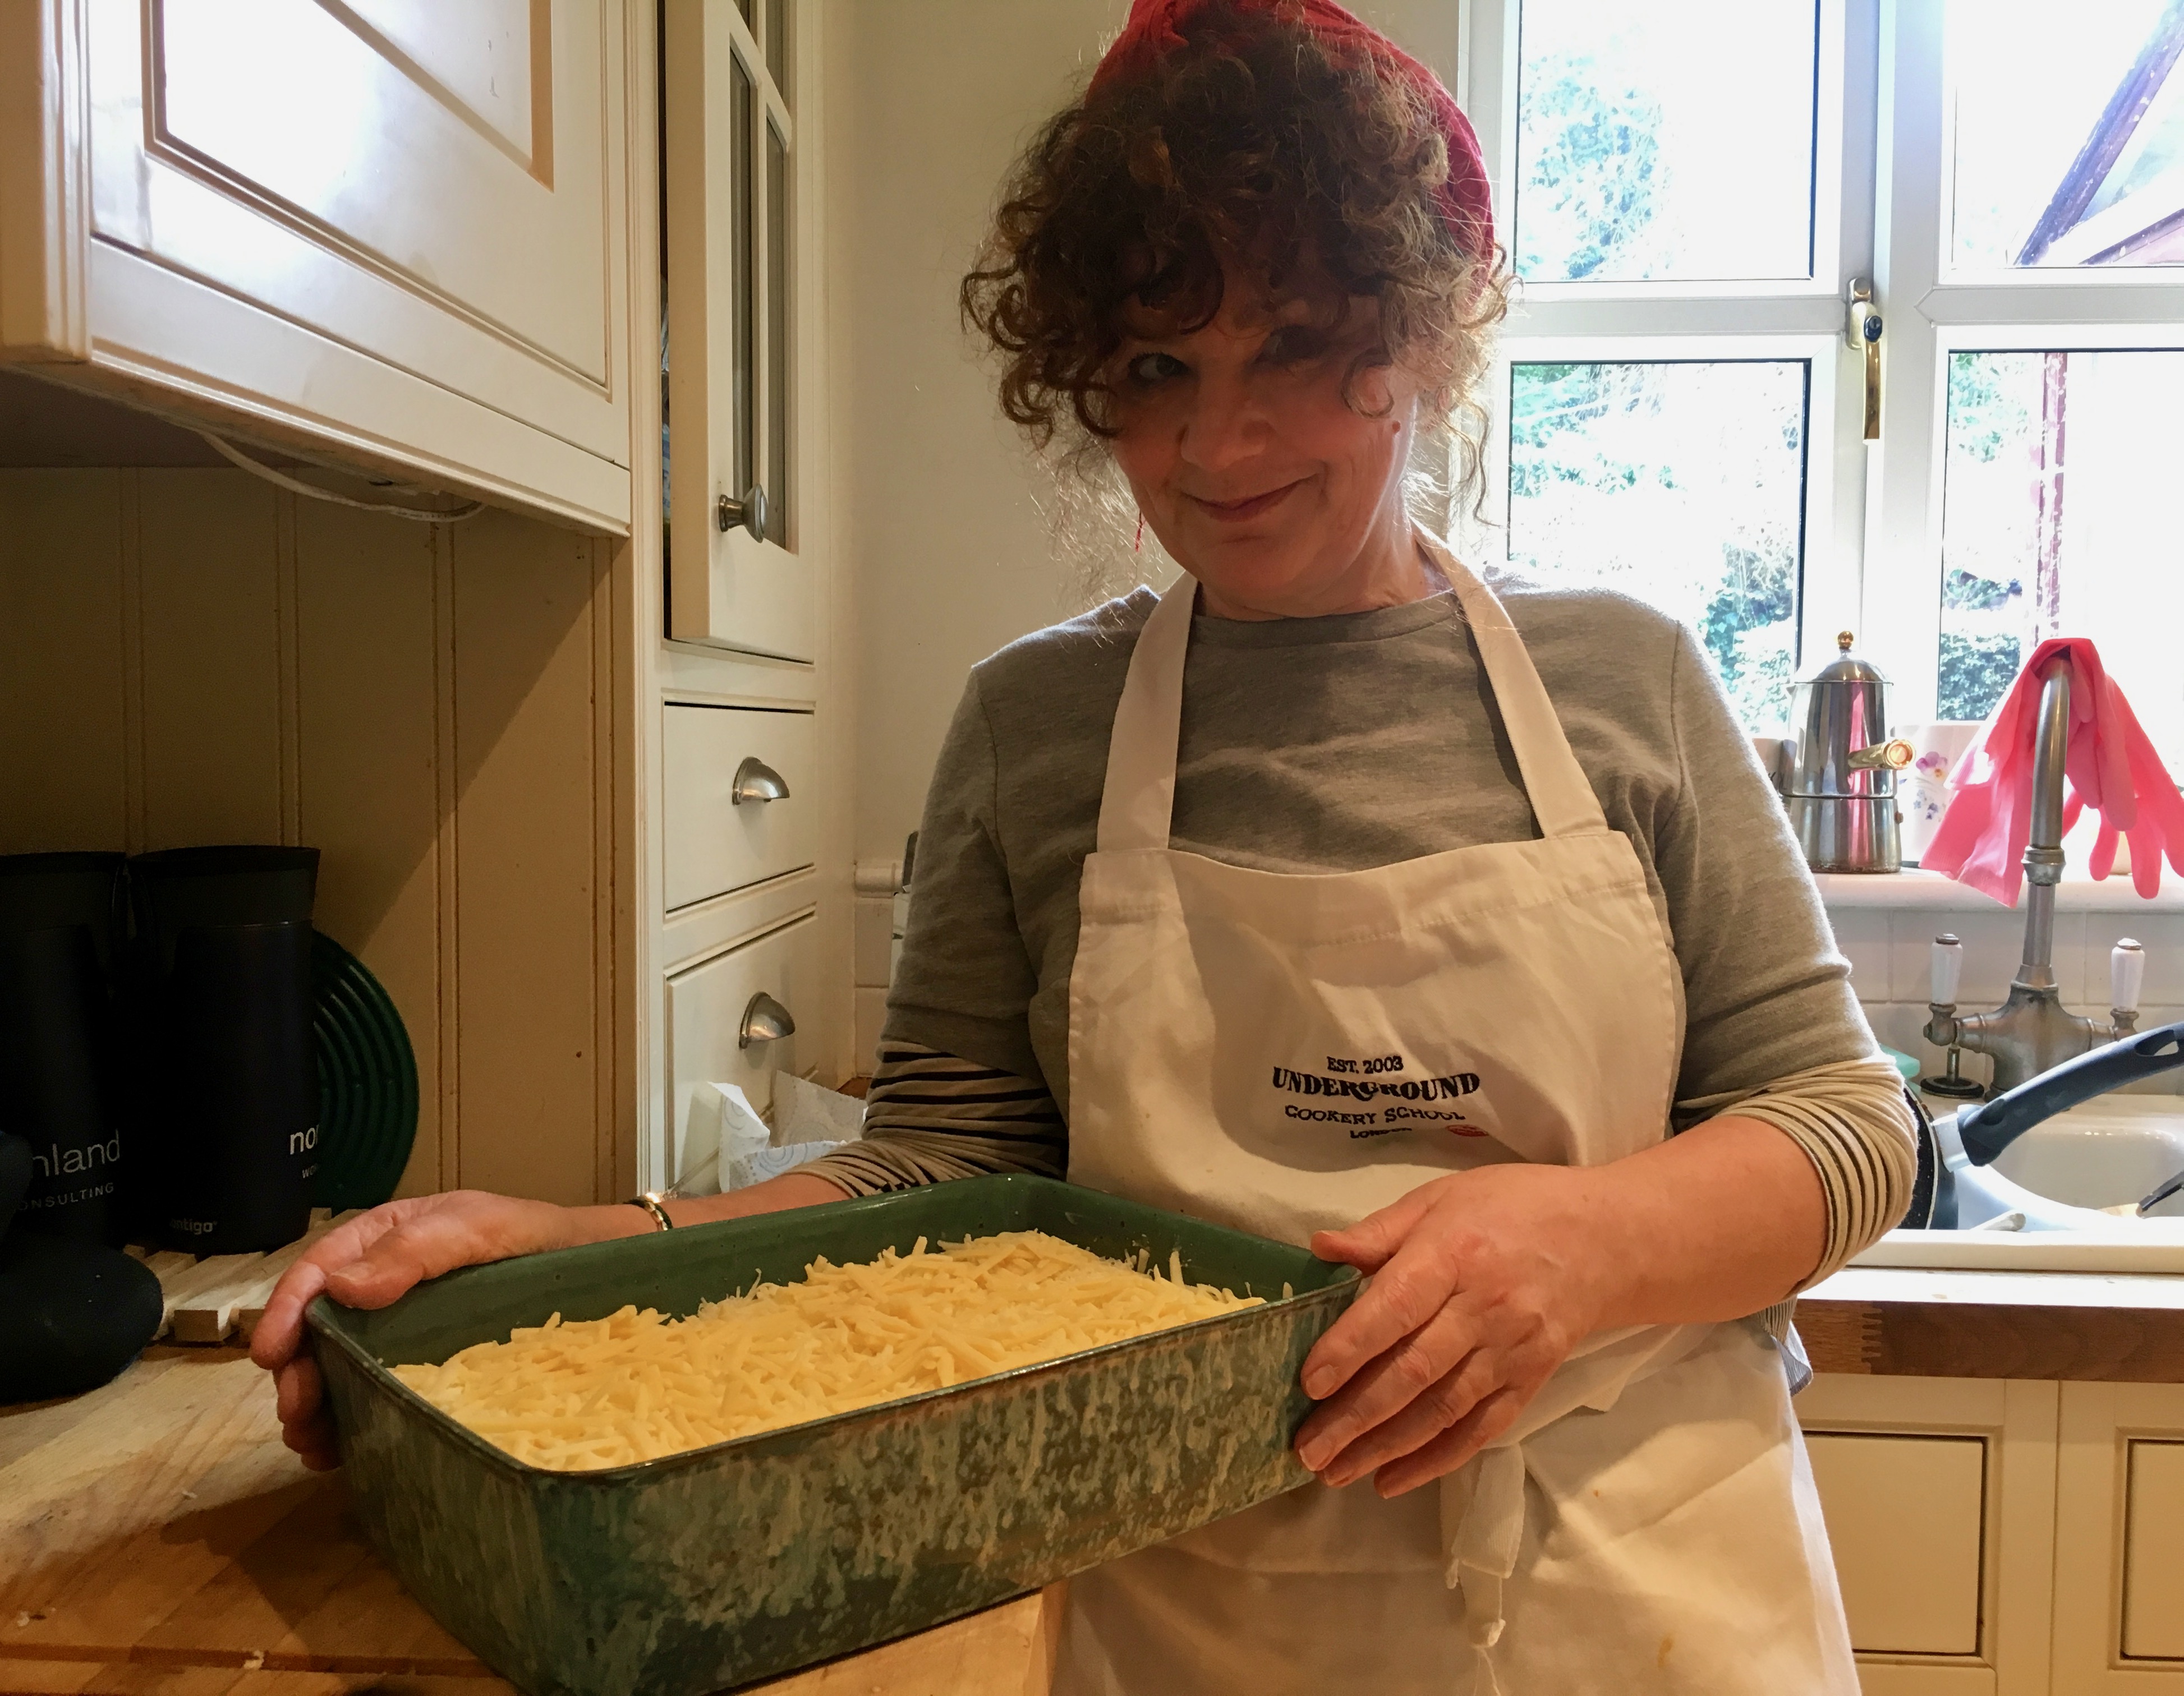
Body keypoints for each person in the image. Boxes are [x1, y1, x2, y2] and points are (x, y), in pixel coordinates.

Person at [254, 2, 1916, 1689]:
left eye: (1292, 346)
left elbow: (1852, 1128)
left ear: (1419, 337)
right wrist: (580, 1250)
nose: (1216, 445)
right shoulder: (1037, 726)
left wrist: (1583, 1248)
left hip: (1633, 1576)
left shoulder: (1624, 678)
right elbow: (943, 1175)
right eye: (1154, 371)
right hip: (1209, 1609)